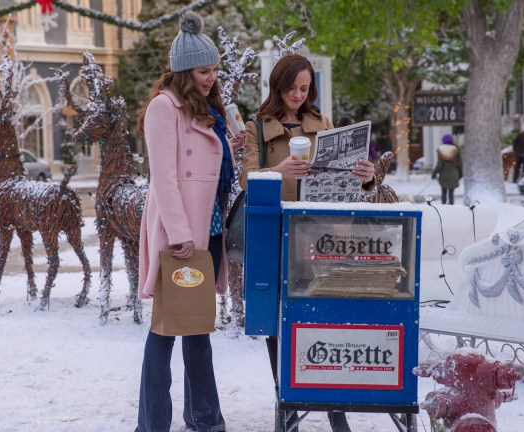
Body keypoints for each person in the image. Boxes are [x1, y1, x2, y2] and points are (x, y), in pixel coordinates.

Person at [239, 53, 377, 432]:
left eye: (304, 88)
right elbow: (245, 179)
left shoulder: (322, 123)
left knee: (326, 319)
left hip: (322, 235)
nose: (298, 95)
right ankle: (286, 404)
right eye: (291, 88)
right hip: (277, 234)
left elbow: (345, 180)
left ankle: (335, 408)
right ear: (277, 86)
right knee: (278, 322)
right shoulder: (258, 126)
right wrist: (278, 171)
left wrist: (365, 176)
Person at [135, 11, 244, 432]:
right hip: (179, 232)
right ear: (183, 71)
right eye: (204, 70)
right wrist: (179, 234)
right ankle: (153, 423)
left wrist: (231, 146)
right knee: (165, 330)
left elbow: (213, 176)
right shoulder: (165, 108)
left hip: (209, 229)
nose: (212, 77)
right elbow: (163, 177)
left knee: (197, 328)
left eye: (215, 69)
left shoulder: (207, 110)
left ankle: (205, 419)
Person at [431, 133, 462, 205]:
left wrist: (434, 173)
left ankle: (443, 206)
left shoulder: (440, 150)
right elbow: (460, 164)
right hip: (454, 173)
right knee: (451, 193)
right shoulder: (456, 149)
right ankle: (451, 206)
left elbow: (439, 165)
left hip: (443, 174)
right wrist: (460, 174)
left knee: (443, 192)